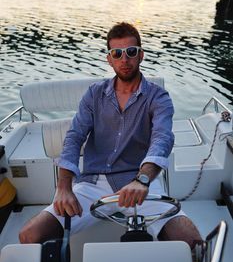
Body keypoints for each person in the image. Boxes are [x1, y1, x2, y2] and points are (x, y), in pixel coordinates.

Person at [19, 22, 201, 250]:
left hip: (140, 183)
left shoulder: (158, 97)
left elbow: (162, 138)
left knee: (193, 243)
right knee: (30, 235)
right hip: (93, 185)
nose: (124, 59)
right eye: (117, 53)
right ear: (109, 58)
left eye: (131, 52)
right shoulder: (94, 95)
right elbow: (74, 137)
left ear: (141, 55)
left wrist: (142, 179)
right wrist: (64, 187)